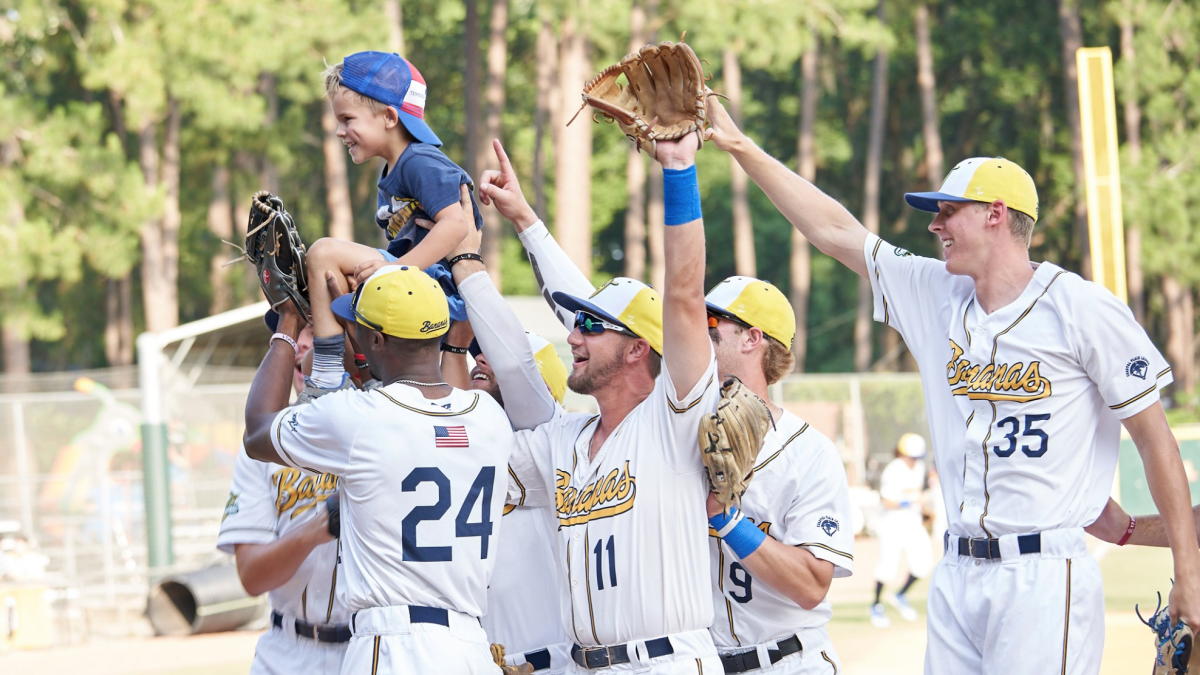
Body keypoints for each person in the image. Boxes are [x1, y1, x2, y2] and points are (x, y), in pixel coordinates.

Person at [704, 96, 1200, 674]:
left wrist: (1187, 577)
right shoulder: (935, 292)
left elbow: (1155, 440)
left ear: (995, 213)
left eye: (947, 211)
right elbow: (834, 229)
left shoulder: (1081, 307)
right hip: (958, 573)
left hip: (1042, 575)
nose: (935, 224)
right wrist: (740, 146)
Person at [478, 137, 724, 673]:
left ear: (639, 348)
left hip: (666, 662)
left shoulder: (673, 420)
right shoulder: (562, 440)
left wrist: (679, 170)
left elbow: (682, 296)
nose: (572, 336)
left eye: (591, 325)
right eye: (576, 323)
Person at [242, 264, 513, 675]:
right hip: (470, 646)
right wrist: (364, 341)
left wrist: (288, 320)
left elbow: (258, 433)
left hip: (394, 648)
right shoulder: (487, 416)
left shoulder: (360, 419)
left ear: (377, 340)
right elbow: (405, 406)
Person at [301, 51, 484, 398]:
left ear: (388, 116)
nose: (340, 132)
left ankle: (325, 379)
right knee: (334, 293)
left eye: (347, 119)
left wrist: (394, 271)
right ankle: (362, 379)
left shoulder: (420, 162)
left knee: (324, 252)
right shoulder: (395, 170)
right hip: (420, 283)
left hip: (441, 289)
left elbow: (456, 225)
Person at [701, 276, 854, 674]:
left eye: (711, 324)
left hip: (787, 661)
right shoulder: (678, 437)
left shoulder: (809, 452)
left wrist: (726, 519)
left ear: (752, 338)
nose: (697, 333)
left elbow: (811, 586)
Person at [218, 320, 349, 675]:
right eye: (298, 332)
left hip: (372, 648)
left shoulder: (384, 426)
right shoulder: (260, 448)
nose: (305, 344)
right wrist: (312, 532)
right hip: (287, 651)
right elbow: (251, 577)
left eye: (315, 328)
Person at [870, 433, 932, 628]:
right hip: (892, 523)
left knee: (924, 564)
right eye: (912, 456)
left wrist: (924, 507)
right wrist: (913, 500)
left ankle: (900, 595)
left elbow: (919, 494)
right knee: (887, 567)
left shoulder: (920, 467)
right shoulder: (893, 470)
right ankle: (876, 606)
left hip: (912, 522)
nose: (914, 461)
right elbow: (887, 502)